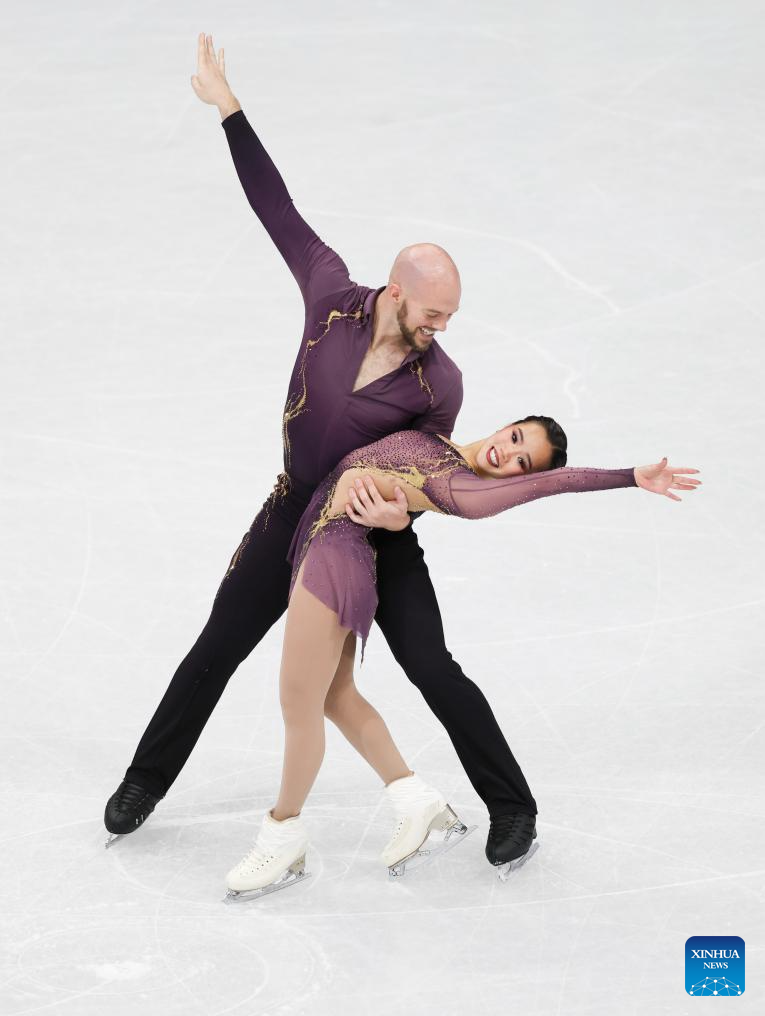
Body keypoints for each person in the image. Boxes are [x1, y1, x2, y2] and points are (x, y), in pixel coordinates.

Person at [223, 423, 701, 898]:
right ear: (507, 426)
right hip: (334, 550)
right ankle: (415, 801)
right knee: (334, 696)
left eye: (522, 463)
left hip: (342, 561)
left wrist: (629, 475)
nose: (508, 455)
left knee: (330, 697)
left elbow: (551, 481)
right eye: (516, 439)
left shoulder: (464, 491)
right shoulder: (438, 440)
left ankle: (286, 833)